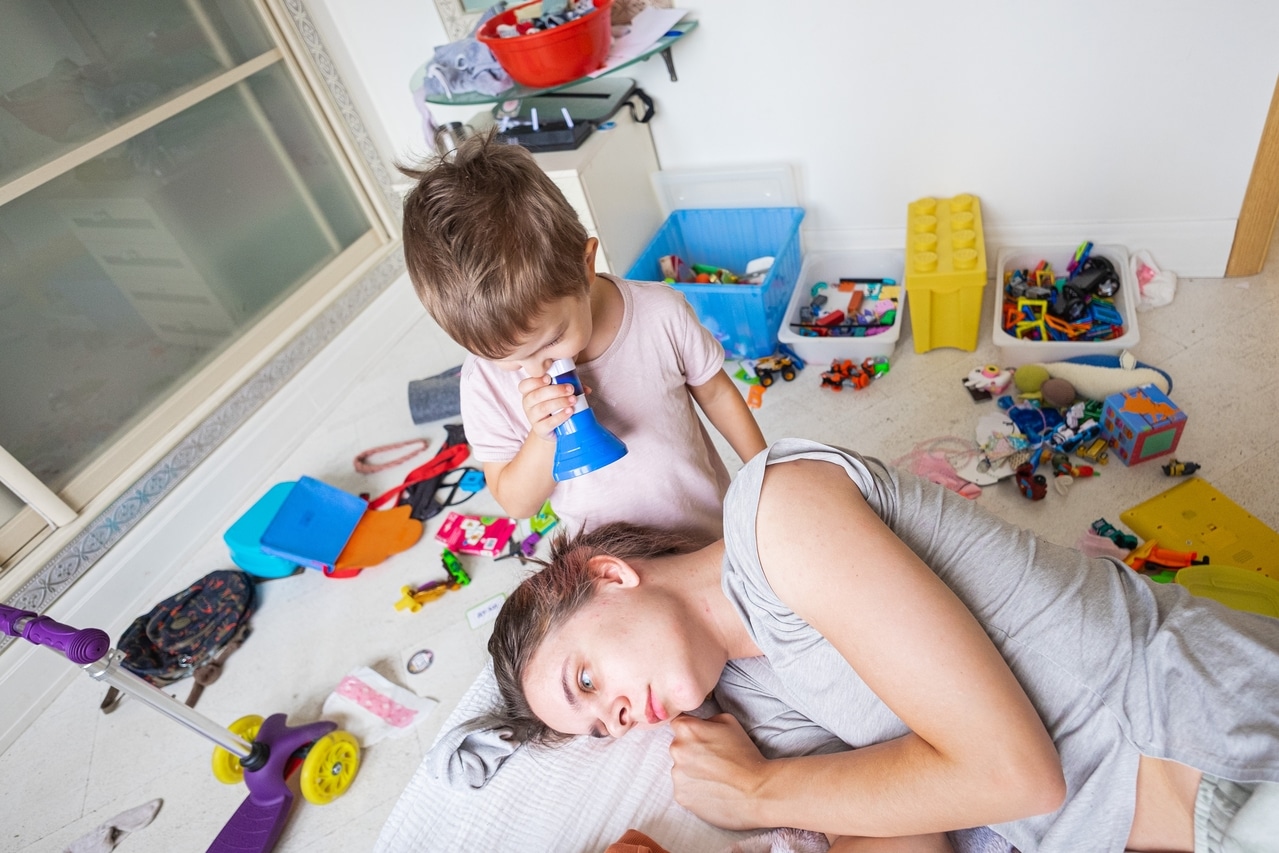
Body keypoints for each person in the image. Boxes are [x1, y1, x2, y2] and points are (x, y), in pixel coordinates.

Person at [485, 438, 1279, 853]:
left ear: (609, 574)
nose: (617, 715)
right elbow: (906, 824)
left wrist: (759, 793)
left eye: (584, 678)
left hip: (1208, 741)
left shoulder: (778, 516)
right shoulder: (751, 699)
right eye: (598, 726)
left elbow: (1016, 775)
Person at [399, 134, 766, 542]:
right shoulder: (484, 383)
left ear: (585, 265)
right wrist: (542, 438)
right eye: (510, 359)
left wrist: (766, 474)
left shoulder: (660, 314)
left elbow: (716, 395)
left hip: (707, 532)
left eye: (552, 340)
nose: (535, 368)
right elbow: (517, 505)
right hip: (606, 562)